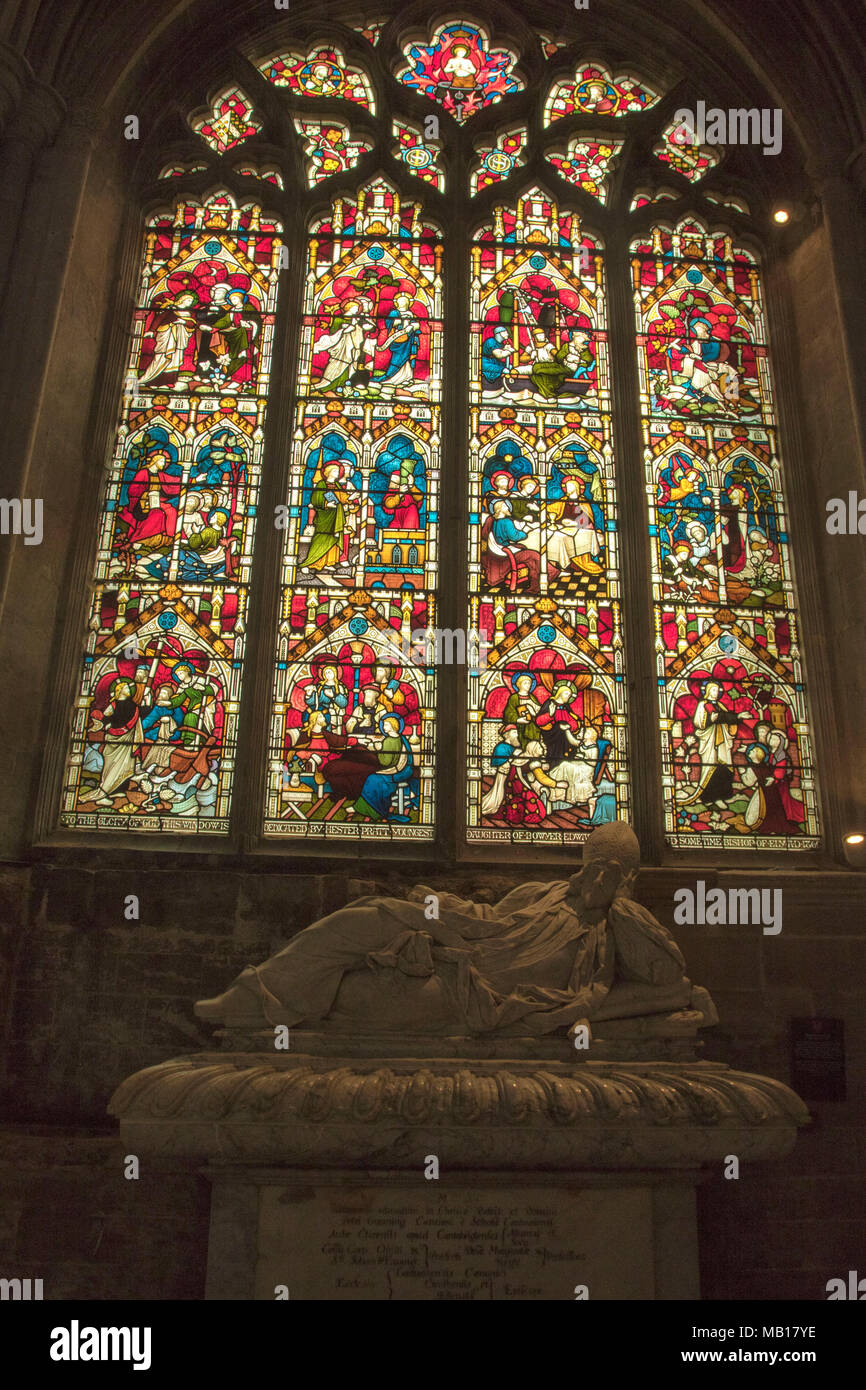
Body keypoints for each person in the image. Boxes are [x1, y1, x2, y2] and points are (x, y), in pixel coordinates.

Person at [195, 821, 718, 1037]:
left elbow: (667, 975)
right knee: (370, 916)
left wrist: (617, 902)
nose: (590, 876)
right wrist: (440, 906)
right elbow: (493, 918)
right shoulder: (543, 893)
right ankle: (254, 995)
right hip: (462, 943)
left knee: (353, 999)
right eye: (589, 864)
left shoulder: (620, 926)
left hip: (477, 993)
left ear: (626, 877)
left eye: (606, 869)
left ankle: (278, 1017)